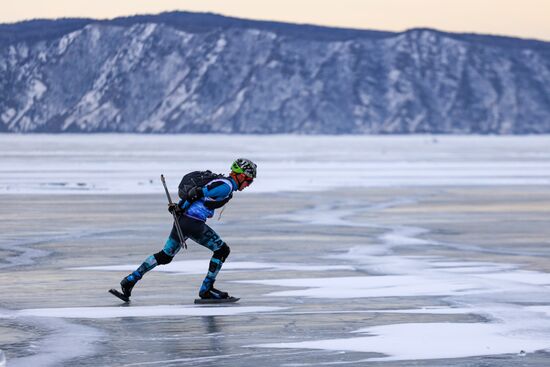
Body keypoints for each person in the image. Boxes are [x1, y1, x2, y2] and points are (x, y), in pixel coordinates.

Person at [116, 158, 257, 301]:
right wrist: (180, 207)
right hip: (193, 223)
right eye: (249, 181)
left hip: (183, 221)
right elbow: (196, 193)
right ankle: (206, 290)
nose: (248, 185)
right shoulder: (226, 186)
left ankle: (129, 280)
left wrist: (179, 209)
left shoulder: (225, 185)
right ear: (241, 175)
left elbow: (194, 195)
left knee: (165, 256)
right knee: (222, 250)